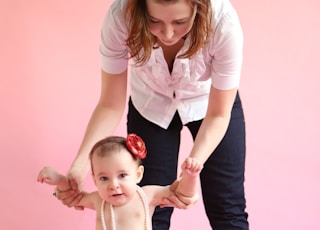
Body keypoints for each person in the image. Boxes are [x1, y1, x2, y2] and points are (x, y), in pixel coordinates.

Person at [56, 0, 249, 229]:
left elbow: (218, 114)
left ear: (199, 7)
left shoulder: (223, 23)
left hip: (210, 105)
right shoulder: (121, 16)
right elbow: (110, 103)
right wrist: (79, 166)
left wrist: (191, 168)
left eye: (180, 22)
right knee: (146, 211)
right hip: (150, 104)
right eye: (154, 21)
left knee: (227, 208)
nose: (167, 34)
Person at [38, 135, 202, 230]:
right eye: (104, 178)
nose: (113, 185)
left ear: (138, 175)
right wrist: (60, 180)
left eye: (122, 175)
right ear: (94, 180)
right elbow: (74, 196)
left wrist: (190, 177)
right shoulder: (99, 200)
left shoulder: (146, 195)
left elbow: (181, 194)